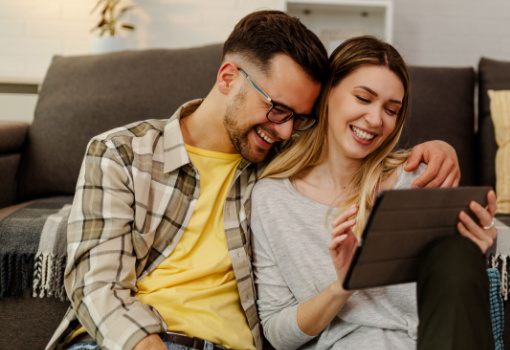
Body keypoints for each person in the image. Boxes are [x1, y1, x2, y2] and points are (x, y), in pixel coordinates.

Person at [47, 11, 461, 350]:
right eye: (277, 109)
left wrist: (441, 149)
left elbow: (347, 153)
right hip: (130, 342)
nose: (285, 130)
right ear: (228, 77)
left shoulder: (277, 165)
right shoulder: (123, 152)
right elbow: (96, 285)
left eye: (299, 118)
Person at [252, 36, 497, 350]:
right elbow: (277, 333)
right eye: (363, 98)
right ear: (327, 93)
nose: (376, 120)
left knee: (458, 254)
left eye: (391, 110)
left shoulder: (418, 178)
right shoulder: (272, 200)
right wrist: (344, 285)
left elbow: (455, 294)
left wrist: (475, 246)